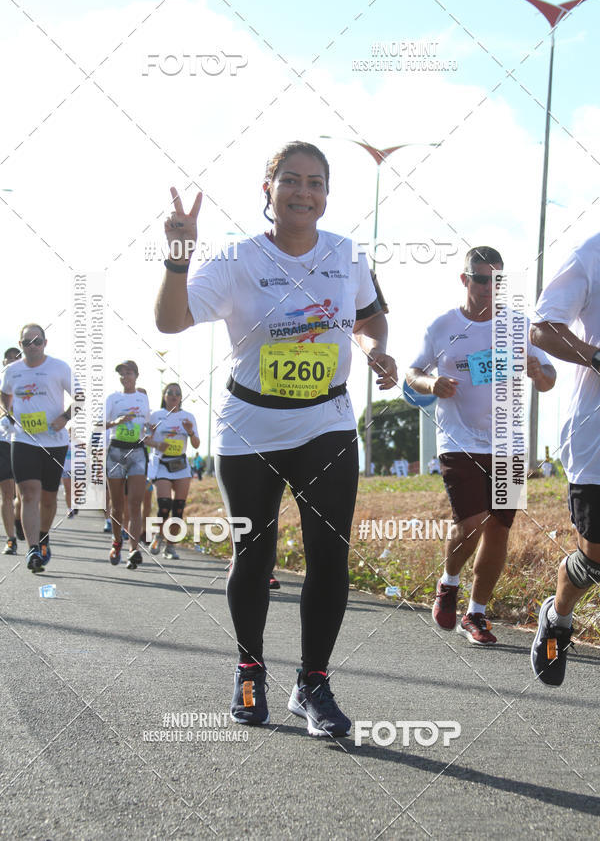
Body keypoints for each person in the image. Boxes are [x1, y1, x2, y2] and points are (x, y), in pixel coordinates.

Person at [155, 141, 397, 735]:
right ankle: (249, 668)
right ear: (268, 189)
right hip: (251, 427)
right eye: (291, 180)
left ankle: (313, 683)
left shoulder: (347, 254)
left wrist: (373, 349)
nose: (304, 192)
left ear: (326, 194)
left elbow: (369, 317)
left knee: (329, 556)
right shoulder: (237, 259)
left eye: (316, 182)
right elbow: (170, 320)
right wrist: (179, 256)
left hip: (327, 421)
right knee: (254, 553)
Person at [407, 247, 556, 645]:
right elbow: (413, 373)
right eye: (482, 279)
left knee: (498, 530)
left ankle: (476, 614)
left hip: (509, 443)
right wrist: (430, 384)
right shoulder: (443, 326)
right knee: (470, 523)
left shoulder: (518, 324)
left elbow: (548, 378)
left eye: (498, 281)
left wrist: (539, 372)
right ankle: (449, 581)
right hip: (458, 440)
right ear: (465, 280)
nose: (490, 288)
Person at [529, 232, 600, 685]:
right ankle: (556, 614)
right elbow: (543, 329)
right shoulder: (589, 255)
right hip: (596, 437)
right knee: (596, 560)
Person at [0, 324, 72, 573]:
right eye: (27, 342)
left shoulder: (59, 367)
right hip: (23, 441)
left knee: (49, 499)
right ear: (20, 346)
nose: (32, 346)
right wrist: (9, 414)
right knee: (29, 495)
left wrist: (65, 417)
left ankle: (43, 536)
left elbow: (82, 396)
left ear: (45, 342)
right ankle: (33, 549)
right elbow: (4, 394)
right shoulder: (12, 371)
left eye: (37, 341)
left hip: (55, 442)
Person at [146, 382, 199, 559]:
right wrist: (157, 443)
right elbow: (144, 440)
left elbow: (197, 443)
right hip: (162, 463)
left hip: (181, 465)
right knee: (164, 506)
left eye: (177, 393)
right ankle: (158, 535)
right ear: (164, 396)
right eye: (170, 392)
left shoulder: (188, 417)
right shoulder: (155, 416)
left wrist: (190, 432)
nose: (174, 395)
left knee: (178, 509)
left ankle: (170, 545)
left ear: (181, 397)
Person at [105, 361, 150, 569]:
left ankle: (134, 549)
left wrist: (151, 431)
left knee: (135, 504)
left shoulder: (143, 398)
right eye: (122, 374)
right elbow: (99, 424)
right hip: (116, 451)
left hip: (137, 452)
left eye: (129, 373)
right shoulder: (113, 398)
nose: (125, 377)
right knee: (117, 506)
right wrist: (117, 422)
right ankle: (116, 542)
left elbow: (147, 425)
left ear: (137, 375)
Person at [0, 347, 21, 554]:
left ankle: (19, 519)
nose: (12, 362)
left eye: (17, 358)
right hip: (1, 442)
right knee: (6, 494)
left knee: (20, 495)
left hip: (20, 441)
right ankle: (10, 539)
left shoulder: (25, 383)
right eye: (9, 359)